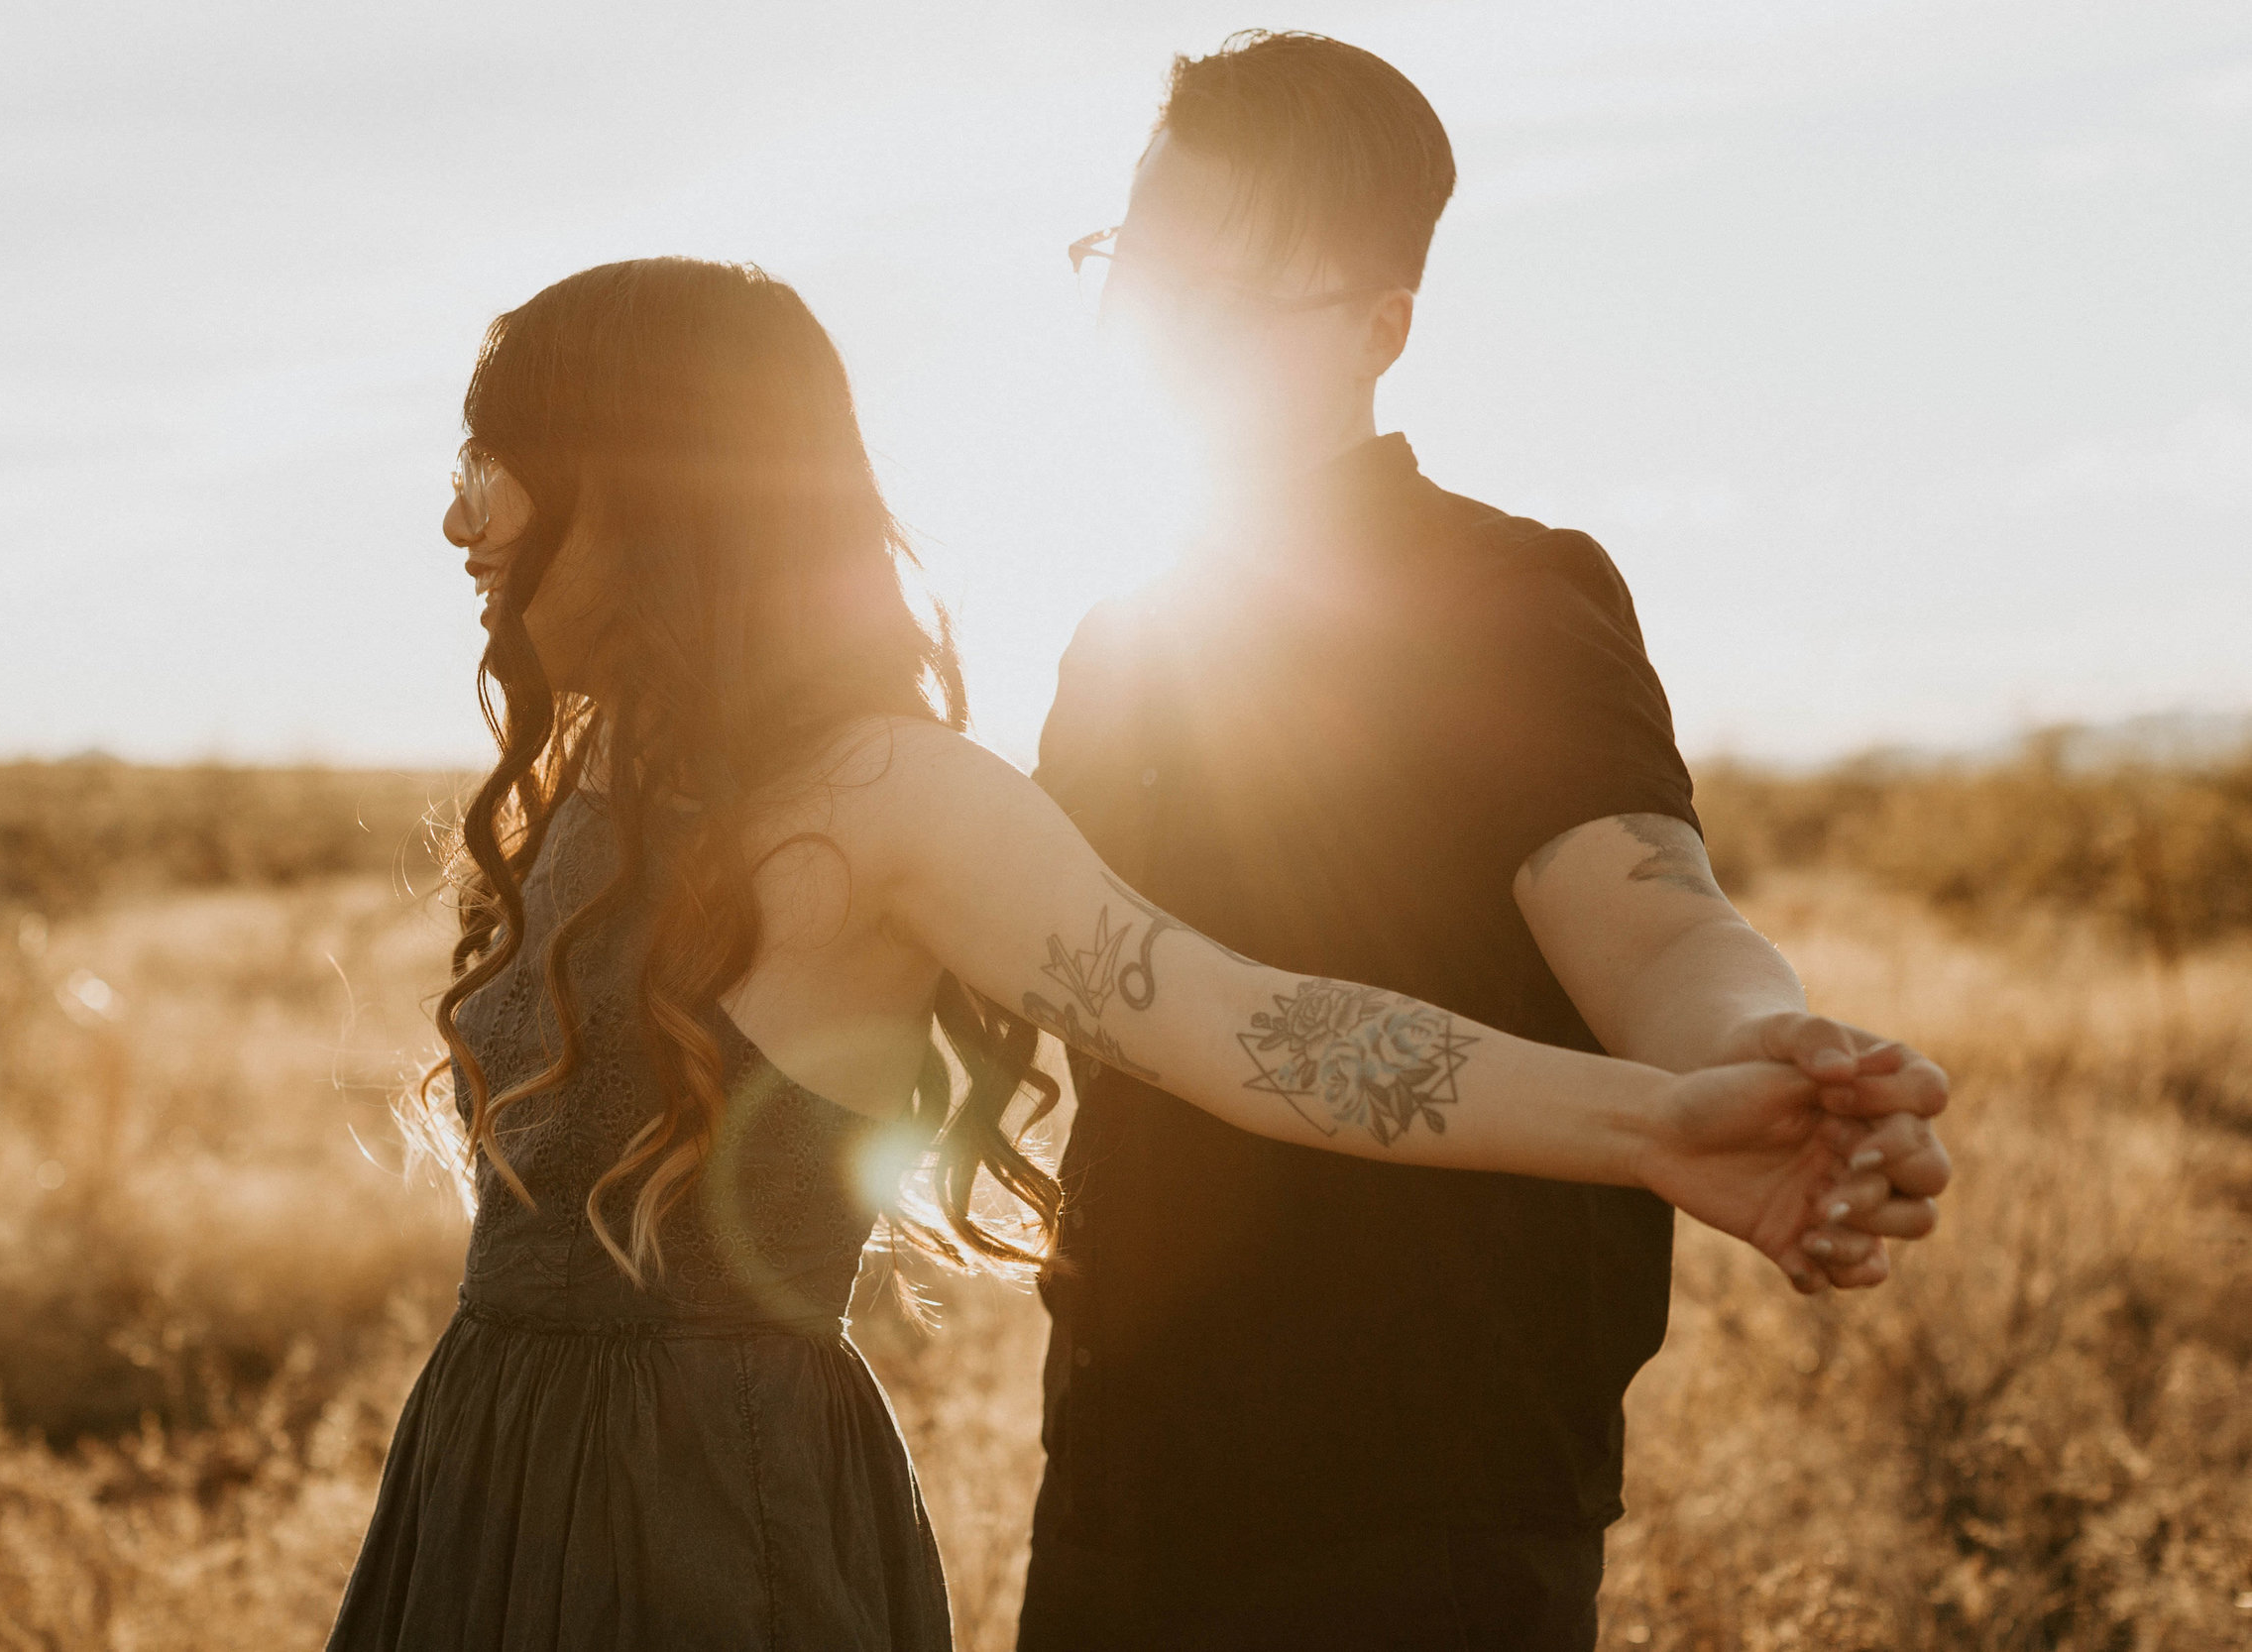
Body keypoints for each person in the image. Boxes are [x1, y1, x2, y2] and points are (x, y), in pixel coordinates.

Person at [322, 256, 1946, 1652]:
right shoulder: (595, 773)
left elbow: (1250, 1029)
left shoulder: (889, 795)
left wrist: (1655, 1127)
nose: (459, 513)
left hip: (705, 1527)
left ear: (648, 473)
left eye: (496, 454)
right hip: (486, 1473)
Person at [1017, 32, 1954, 1652]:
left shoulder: (1505, 597)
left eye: (1225, 291)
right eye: (1137, 266)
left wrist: (1757, 1054)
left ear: (1381, 330)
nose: (1158, 328)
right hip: (1123, 1467)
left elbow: (1652, 913)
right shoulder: (1119, 635)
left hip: (1422, 1495)